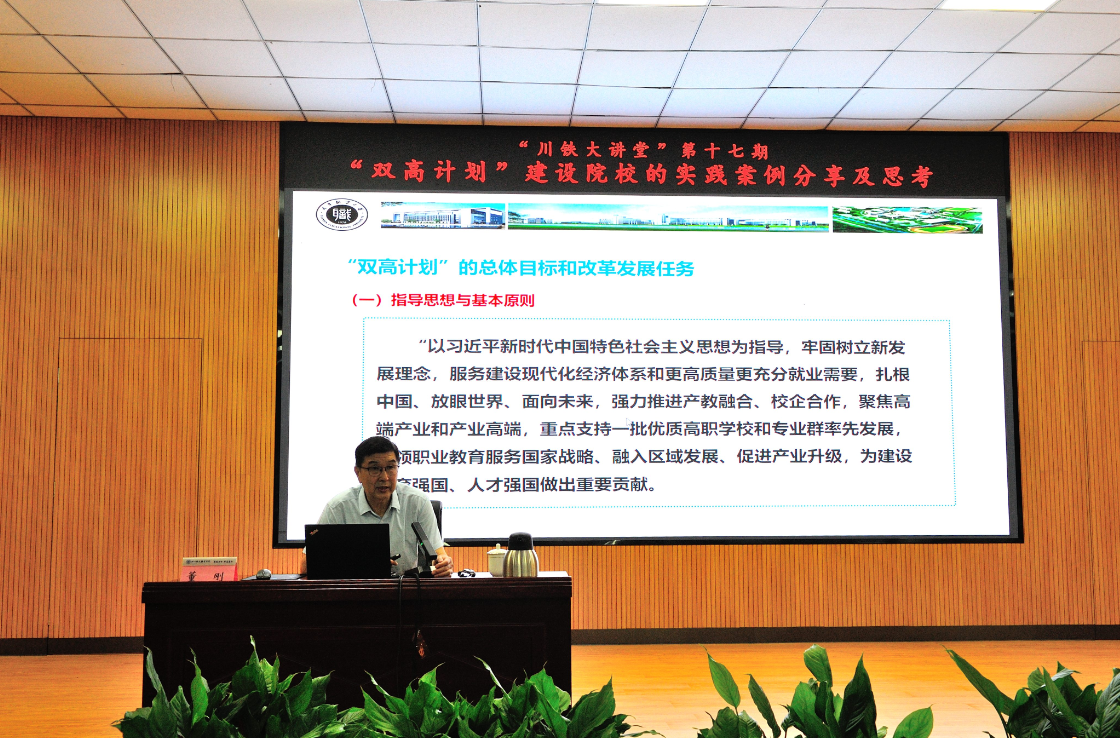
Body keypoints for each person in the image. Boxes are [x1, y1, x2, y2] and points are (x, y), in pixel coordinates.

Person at [317, 436, 453, 577]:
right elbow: (308, 564)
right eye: (375, 469)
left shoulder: (418, 502)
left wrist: (442, 564)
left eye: (390, 467)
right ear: (358, 473)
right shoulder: (338, 508)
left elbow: (438, 555)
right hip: (356, 588)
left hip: (406, 588)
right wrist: (360, 565)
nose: (385, 477)